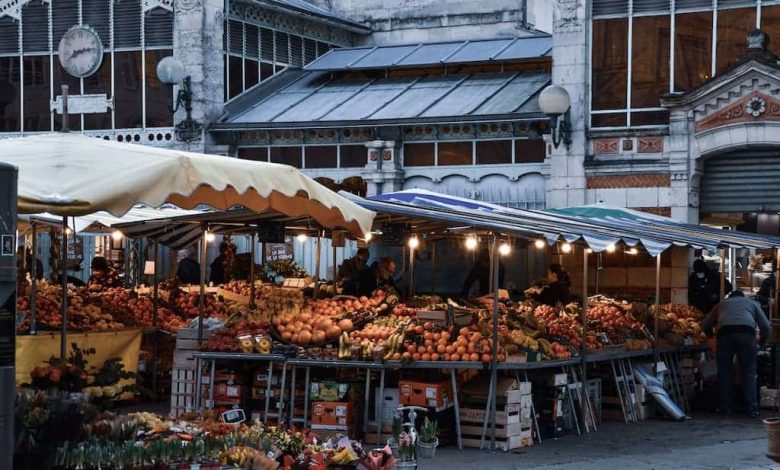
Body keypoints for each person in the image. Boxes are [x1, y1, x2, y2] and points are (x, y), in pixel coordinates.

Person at [702, 290, 770, 418]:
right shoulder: (752, 304)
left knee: (724, 372)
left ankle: (725, 408)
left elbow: (706, 324)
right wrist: (762, 342)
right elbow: (765, 326)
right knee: (749, 372)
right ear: (742, 297)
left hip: (724, 335)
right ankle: (752, 409)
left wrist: (710, 335)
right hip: (746, 335)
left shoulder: (721, 304)